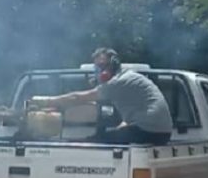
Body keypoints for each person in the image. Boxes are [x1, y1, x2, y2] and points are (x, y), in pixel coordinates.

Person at [31, 48, 174, 145]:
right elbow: (128, 119)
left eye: (102, 66)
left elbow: (78, 97)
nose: (99, 71)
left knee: (95, 142)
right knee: (107, 137)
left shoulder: (119, 81)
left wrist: (45, 101)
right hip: (157, 131)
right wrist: (117, 131)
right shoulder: (126, 80)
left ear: (113, 65)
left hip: (149, 130)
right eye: (97, 67)